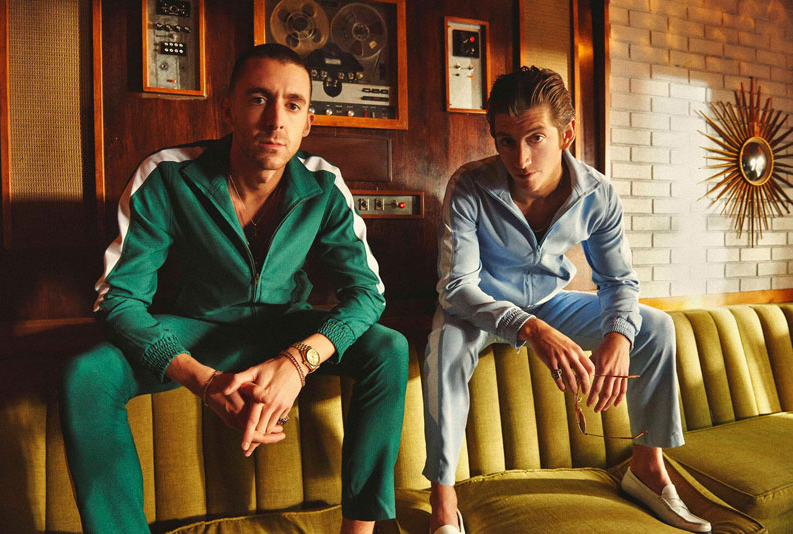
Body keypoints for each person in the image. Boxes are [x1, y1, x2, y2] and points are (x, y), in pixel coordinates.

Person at [58, 44, 408, 534]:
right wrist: (202, 380)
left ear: (308, 121)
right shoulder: (167, 173)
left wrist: (299, 361)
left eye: (293, 105)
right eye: (258, 99)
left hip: (286, 329)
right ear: (228, 108)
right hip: (199, 331)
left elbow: (367, 293)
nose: (276, 121)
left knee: (389, 348)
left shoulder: (324, 184)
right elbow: (117, 297)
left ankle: (360, 531)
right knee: (87, 375)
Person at [423, 66, 711, 534]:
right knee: (445, 347)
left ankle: (646, 468)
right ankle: (443, 498)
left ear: (567, 134)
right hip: (480, 309)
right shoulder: (469, 185)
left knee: (655, 328)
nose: (521, 158)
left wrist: (618, 337)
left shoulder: (598, 194)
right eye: (506, 141)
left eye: (535, 138)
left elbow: (619, 281)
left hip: (551, 302)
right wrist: (530, 328)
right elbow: (456, 287)